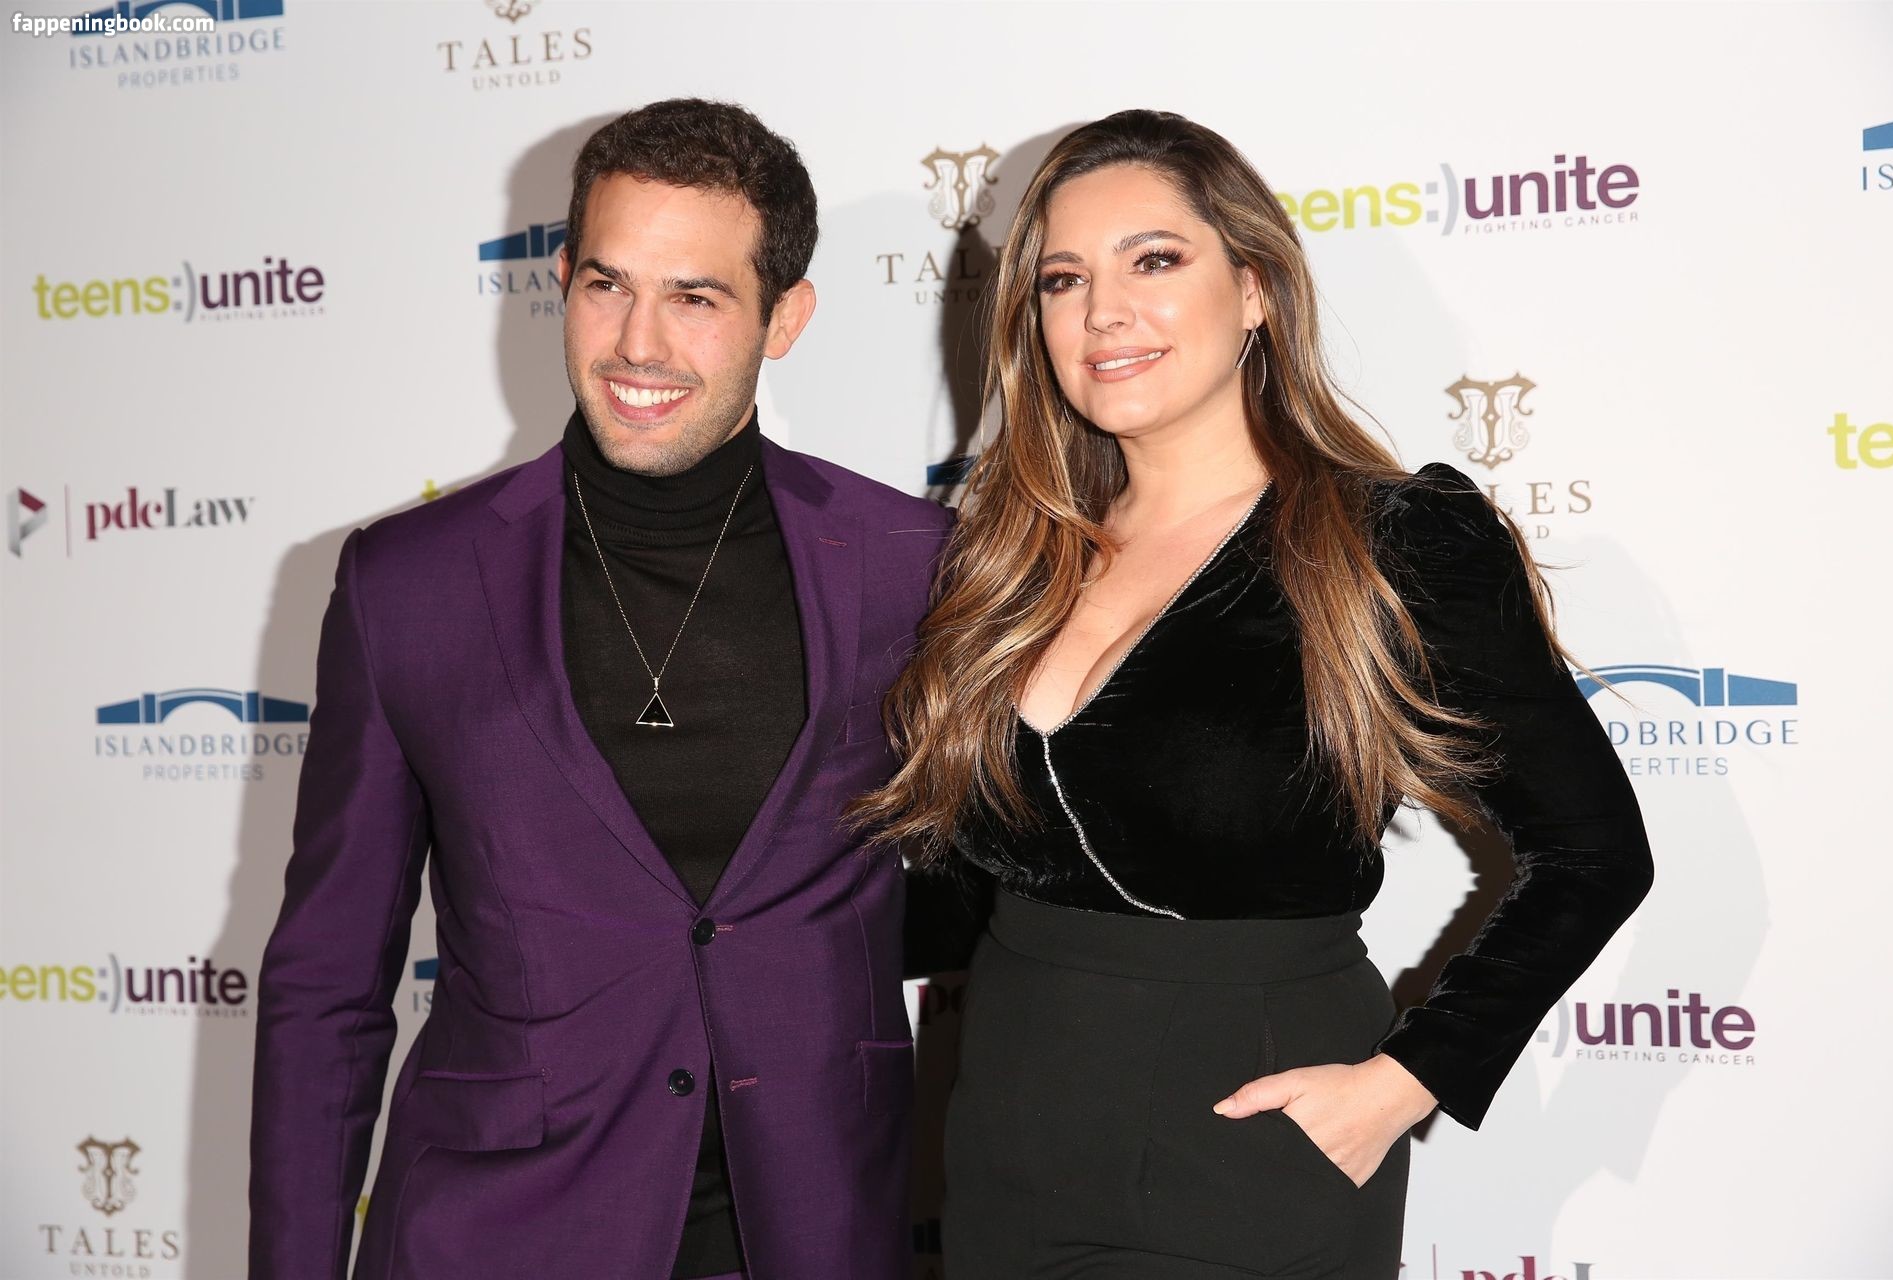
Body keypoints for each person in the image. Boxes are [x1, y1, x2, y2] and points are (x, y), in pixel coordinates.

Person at [860, 110, 1655, 1278]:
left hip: (1253, 1136)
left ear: (1254, 289)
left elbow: (1594, 855)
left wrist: (1407, 1079)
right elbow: (962, 884)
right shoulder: (1010, 557)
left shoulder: (1388, 543)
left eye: (1154, 259)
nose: (1103, 310)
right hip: (1011, 1127)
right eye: (1064, 279)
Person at [250, 99, 947, 1280]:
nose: (637, 344)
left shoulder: (910, 565)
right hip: (496, 1233)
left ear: (784, 317)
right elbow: (328, 981)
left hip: (813, 1225)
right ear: (562, 280)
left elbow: (1006, 891)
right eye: (606, 285)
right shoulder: (407, 582)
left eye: (696, 297)